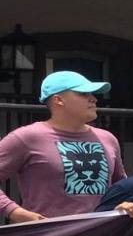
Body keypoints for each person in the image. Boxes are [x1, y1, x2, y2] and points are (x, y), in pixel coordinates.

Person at [0, 71, 126, 222]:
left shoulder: (108, 139)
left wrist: (127, 203)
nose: (93, 99)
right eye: (83, 94)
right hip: (50, 234)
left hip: (101, 233)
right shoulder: (26, 137)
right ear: (58, 100)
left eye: (92, 94)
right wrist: (14, 212)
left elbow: (121, 187)